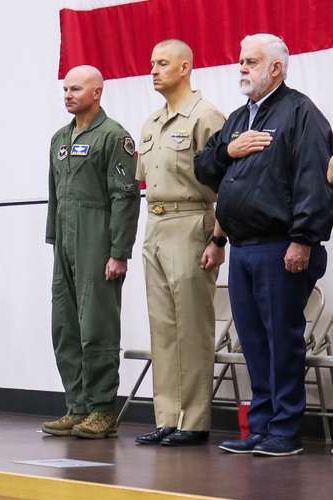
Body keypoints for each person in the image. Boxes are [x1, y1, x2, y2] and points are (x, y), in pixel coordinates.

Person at [194, 34, 333, 457]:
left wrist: (303, 239)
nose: (241, 68)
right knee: (254, 341)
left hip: (281, 246)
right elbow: (203, 167)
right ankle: (260, 426)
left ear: (275, 68)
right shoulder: (238, 119)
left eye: (250, 62)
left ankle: (286, 430)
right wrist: (229, 152)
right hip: (244, 247)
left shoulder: (300, 112)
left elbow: (313, 180)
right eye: (240, 61)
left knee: (282, 341)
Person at [134, 40, 226, 447]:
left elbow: (226, 184)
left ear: (185, 67)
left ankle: (195, 420)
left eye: (163, 63)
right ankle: (168, 415)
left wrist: (218, 238)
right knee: (164, 328)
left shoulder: (206, 116)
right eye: (152, 63)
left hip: (191, 221)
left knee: (191, 326)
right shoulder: (152, 122)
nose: (153, 69)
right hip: (155, 225)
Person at [42, 65, 140, 439]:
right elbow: (54, 194)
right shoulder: (59, 139)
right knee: (65, 325)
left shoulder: (114, 136)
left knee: (97, 325)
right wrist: (54, 239)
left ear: (97, 92)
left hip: (97, 241)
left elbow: (125, 196)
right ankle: (77, 405)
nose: (68, 94)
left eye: (76, 89)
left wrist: (119, 251)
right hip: (65, 244)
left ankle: (101, 409)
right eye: (65, 89)